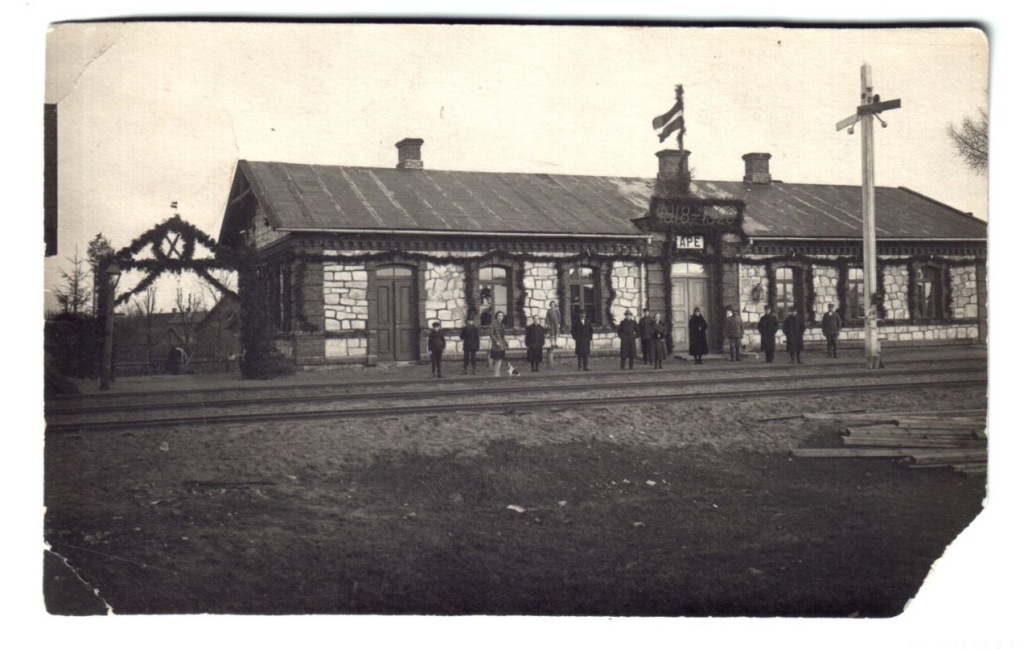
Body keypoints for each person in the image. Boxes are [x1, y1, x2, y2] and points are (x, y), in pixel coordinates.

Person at [489, 311, 508, 377]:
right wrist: (496, 341)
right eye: (499, 316)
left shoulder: (502, 325)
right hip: (496, 345)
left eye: (501, 316)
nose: (500, 317)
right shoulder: (493, 324)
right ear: (496, 316)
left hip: (502, 345)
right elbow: (491, 333)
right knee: (497, 359)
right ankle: (496, 374)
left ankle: (498, 373)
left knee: (500, 359)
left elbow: (503, 335)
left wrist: (506, 343)